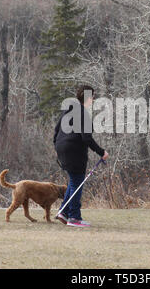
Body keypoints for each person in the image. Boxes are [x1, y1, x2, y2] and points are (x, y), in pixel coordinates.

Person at [53, 85, 109, 227]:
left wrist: (58, 148)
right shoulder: (83, 113)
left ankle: (64, 212)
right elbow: (87, 138)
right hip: (74, 151)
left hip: (62, 148)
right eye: (93, 97)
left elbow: (56, 130)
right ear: (89, 98)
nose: (94, 99)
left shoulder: (69, 110)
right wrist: (101, 152)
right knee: (77, 181)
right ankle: (74, 217)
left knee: (74, 181)